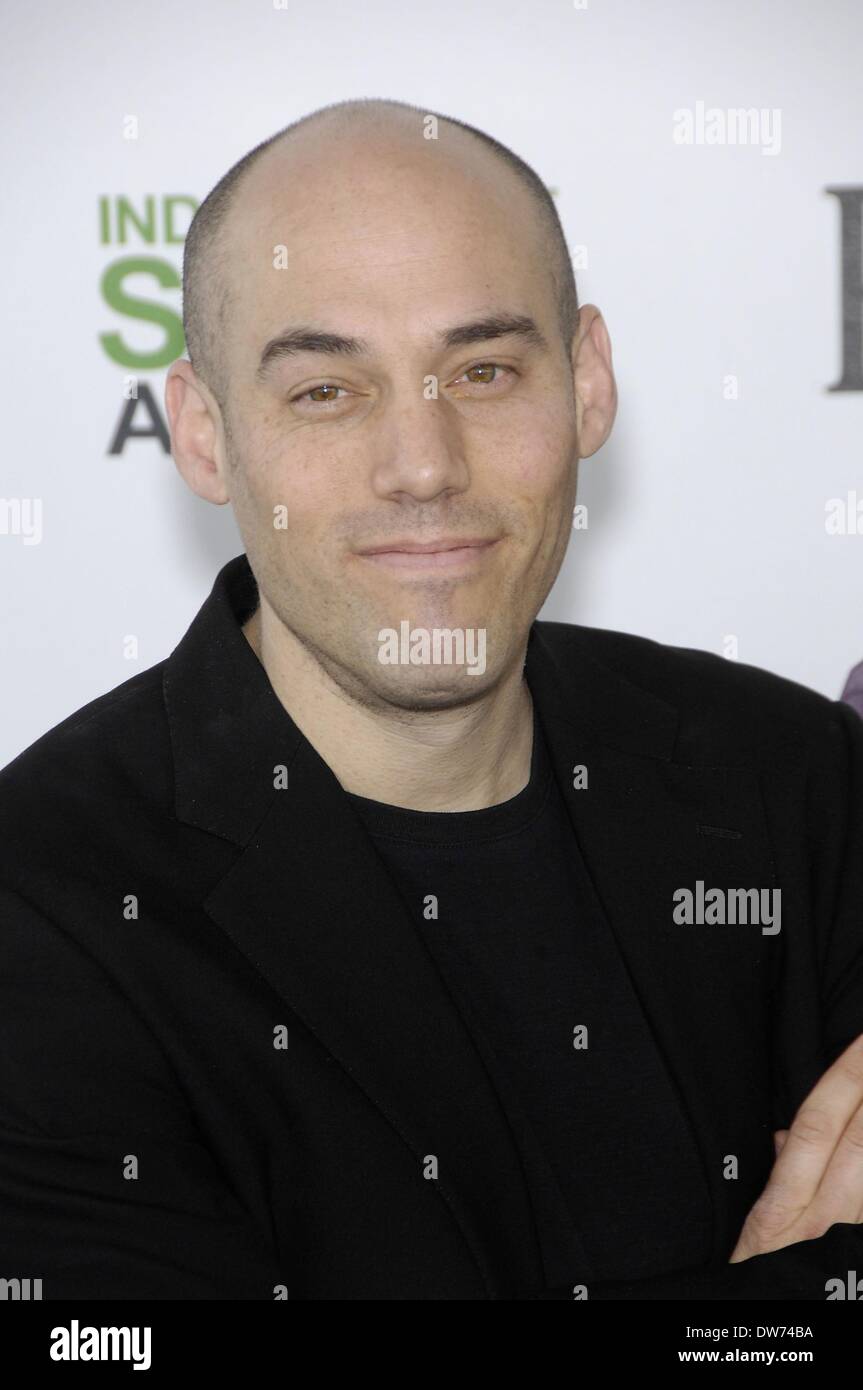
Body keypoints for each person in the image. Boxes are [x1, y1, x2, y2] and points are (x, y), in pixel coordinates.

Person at [1, 97, 862, 1301]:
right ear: (201, 435)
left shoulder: (795, 777)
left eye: (485, 369)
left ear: (588, 385)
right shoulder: (45, 906)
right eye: (325, 391)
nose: (422, 464)